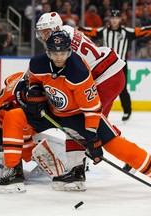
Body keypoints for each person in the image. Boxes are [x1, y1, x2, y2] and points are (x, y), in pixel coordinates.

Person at [0, 30, 151, 197]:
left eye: (63, 53)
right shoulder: (37, 63)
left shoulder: (79, 71)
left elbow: (92, 108)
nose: (59, 58)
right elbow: (33, 79)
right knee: (14, 116)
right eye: (55, 53)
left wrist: (91, 137)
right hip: (49, 110)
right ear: (48, 52)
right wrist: (35, 91)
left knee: (114, 144)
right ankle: (13, 171)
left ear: (70, 51)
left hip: (79, 115)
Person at [35, 12, 126, 186]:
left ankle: (78, 170)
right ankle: (116, 153)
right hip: (112, 74)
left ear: (55, 28)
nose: (44, 36)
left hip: (105, 79)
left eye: (47, 31)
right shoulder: (67, 30)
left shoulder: (62, 44)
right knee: (97, 124)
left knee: (79, 121)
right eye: (42, 32)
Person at [79, 9, 151, 121]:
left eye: (116, 18)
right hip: (106, 64)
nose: (114, 20)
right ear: (110, 19)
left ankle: (127, 111)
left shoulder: (126, 32)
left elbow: (140, 31)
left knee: (123, 89)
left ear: (119, 20)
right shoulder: (103, 31)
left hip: (121, 64)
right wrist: (77, 29)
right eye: (112, 18)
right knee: (101, 87)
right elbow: (90, 31)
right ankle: (99, 111)